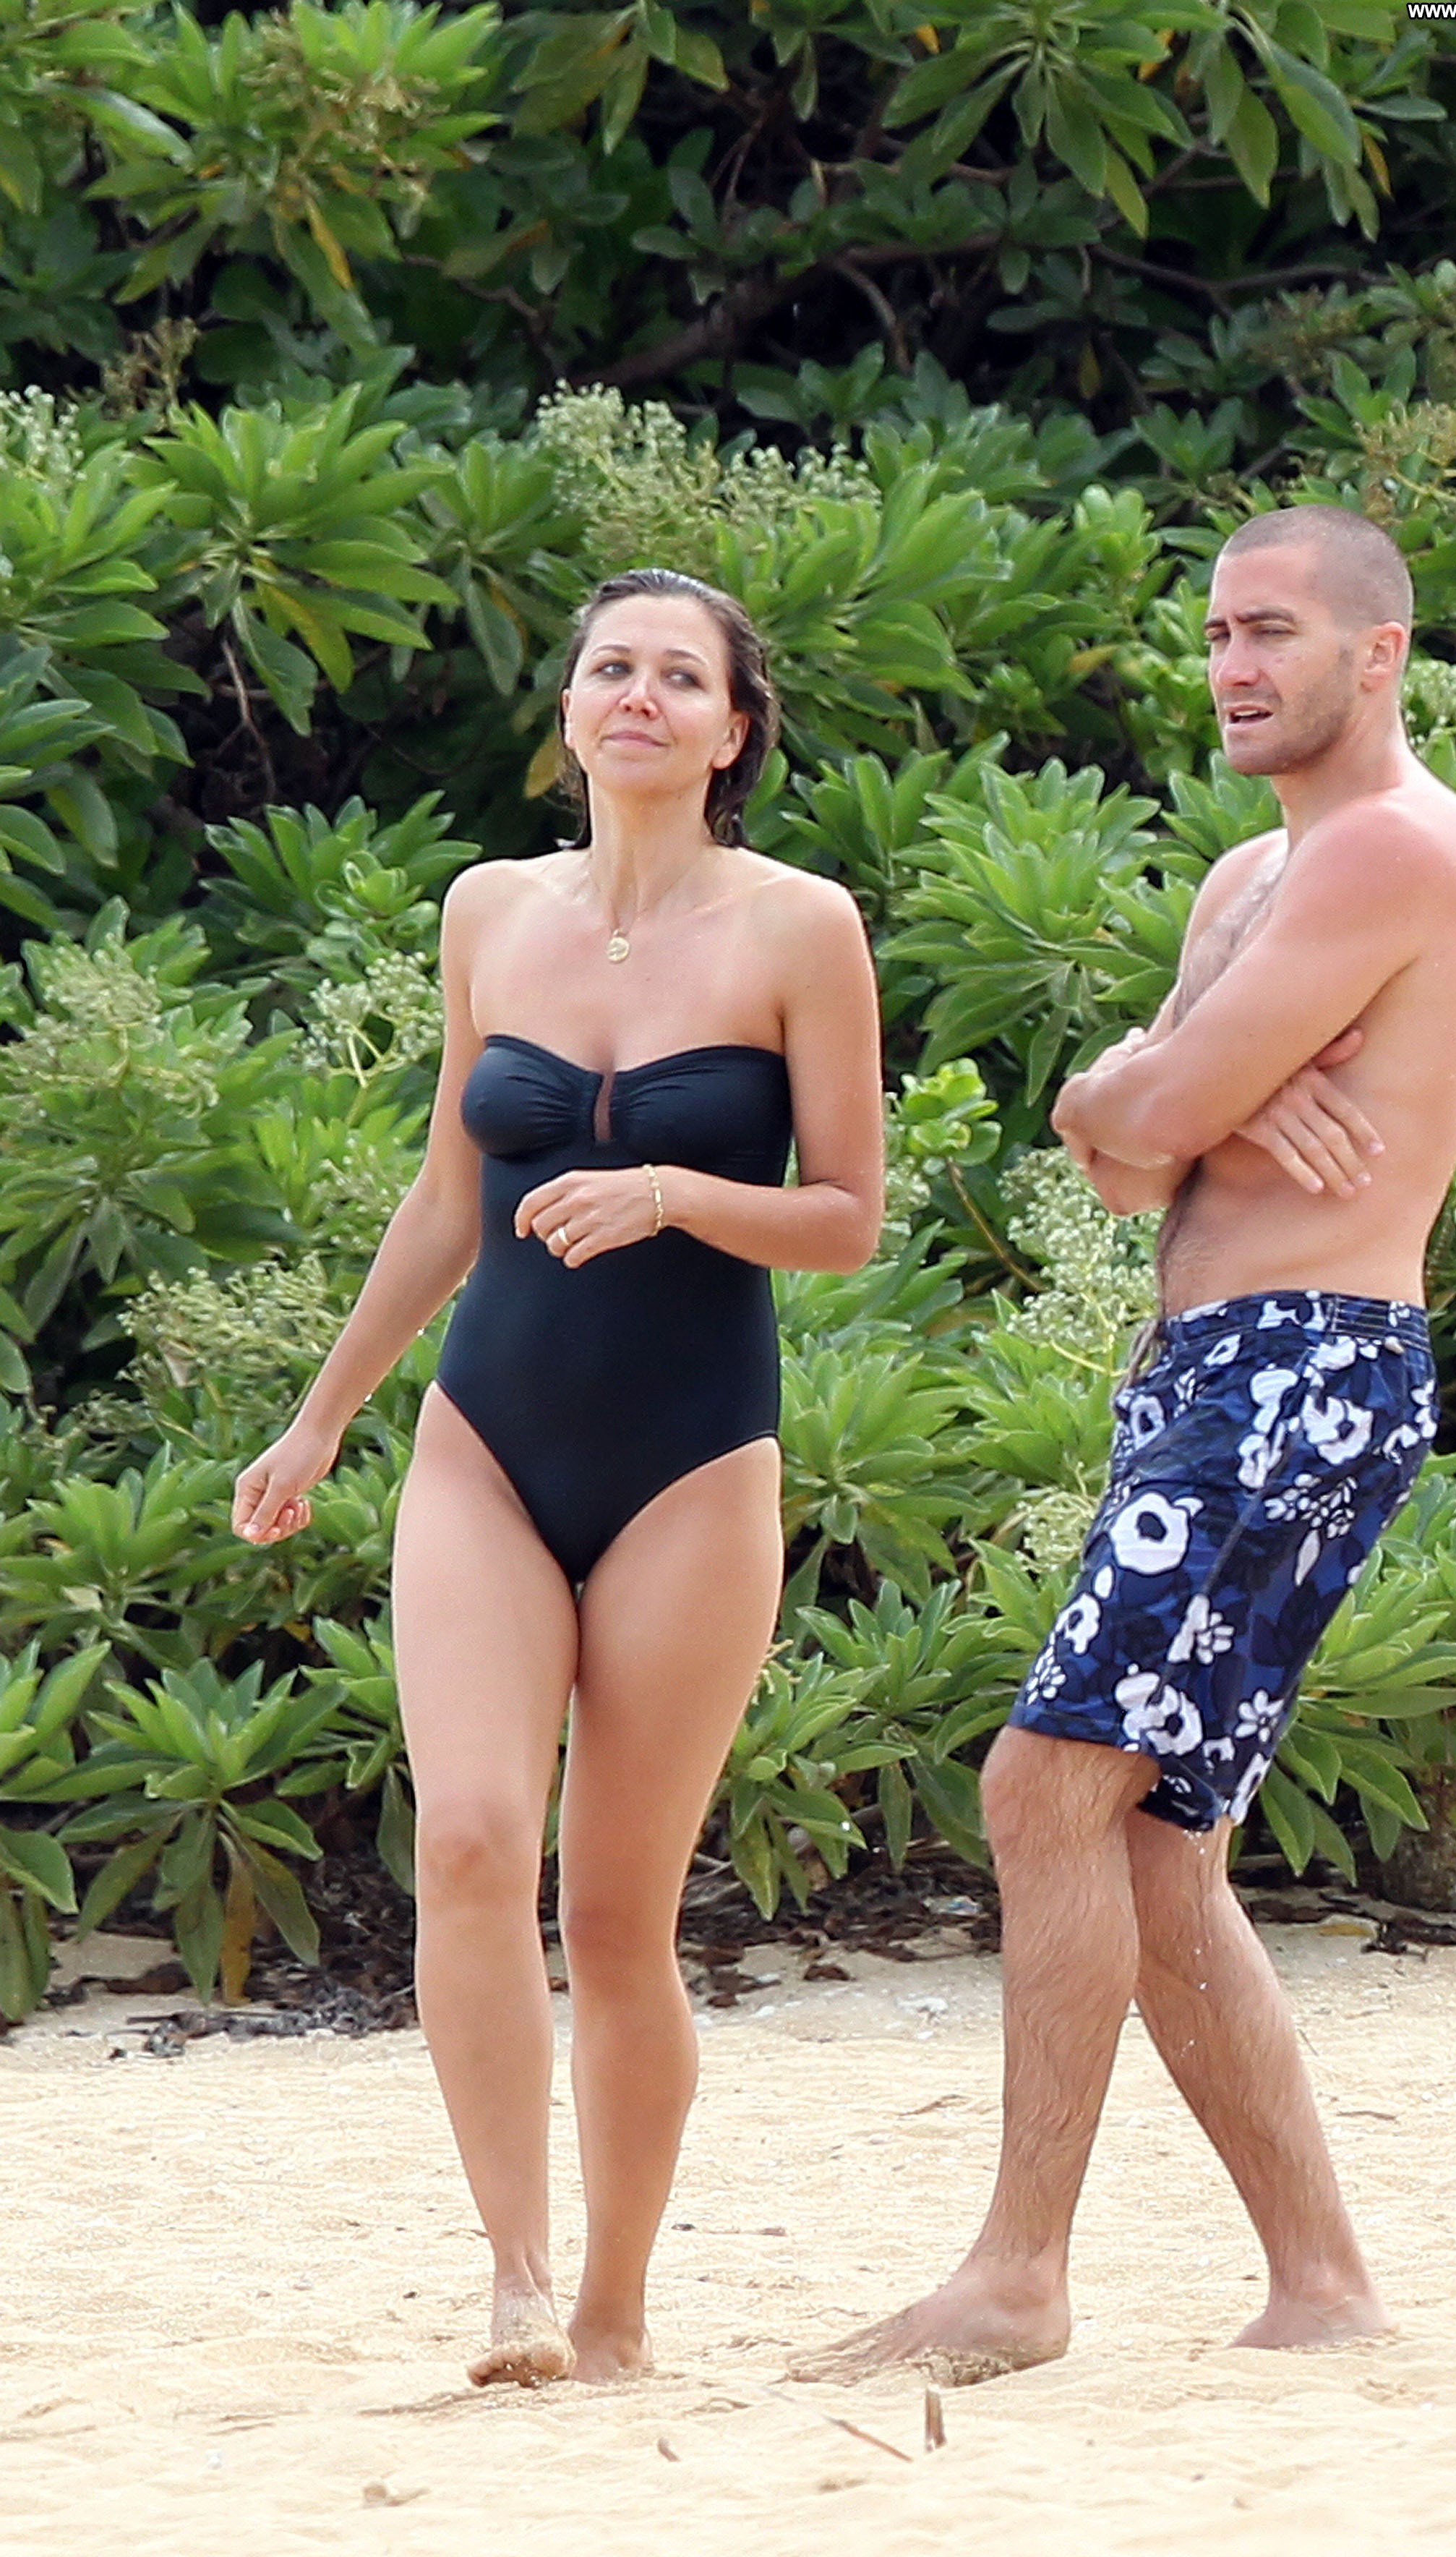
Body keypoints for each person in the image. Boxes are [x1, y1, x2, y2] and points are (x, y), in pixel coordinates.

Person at [793, 502, 1456, 2384]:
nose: (1233, 668)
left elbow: (1152, 1106)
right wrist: (1189, 1102)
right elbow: (1110, 1150)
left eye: (1272, 631)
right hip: (1207, 1372)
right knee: (1161, 1850)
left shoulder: (1398, 849)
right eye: (1214, 635)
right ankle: (1322, 2285)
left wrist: (1183, 1098)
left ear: (1379, 654)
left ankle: (1019, 2276)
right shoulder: (1246, 883)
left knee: (1044, 1790)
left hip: (1302, 1367)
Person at [232, 568, 883, 2388]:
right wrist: (322, 1414)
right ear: (573, 709)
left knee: (614, 1915)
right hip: (485, 1448)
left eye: (682, 675)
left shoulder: (801, 927)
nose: (640, 696)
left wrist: (674, 1192)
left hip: (694, 1464)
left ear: (733, 728)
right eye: (612, 668)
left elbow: (849, 1216)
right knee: (464, 1840)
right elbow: (451, 1197)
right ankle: (517, 2283)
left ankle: (615, 2309)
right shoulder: (490, 910)